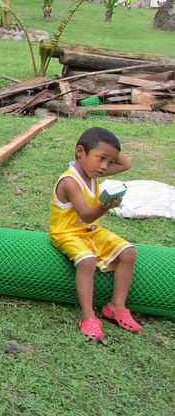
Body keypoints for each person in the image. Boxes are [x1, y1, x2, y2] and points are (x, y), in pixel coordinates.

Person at [49, 127, 140, 341]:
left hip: (91, 232)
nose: (105, 166)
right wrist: (105, 206)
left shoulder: (92, 171)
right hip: (66, 233)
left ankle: (116, 306)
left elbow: (126, 164)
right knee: (87, 261)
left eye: (110, 161)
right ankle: (88, 316)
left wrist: (107, 146)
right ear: (80, 151)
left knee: (128, 252)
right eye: (101, 158)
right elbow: (87, 214)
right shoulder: (70, 182)